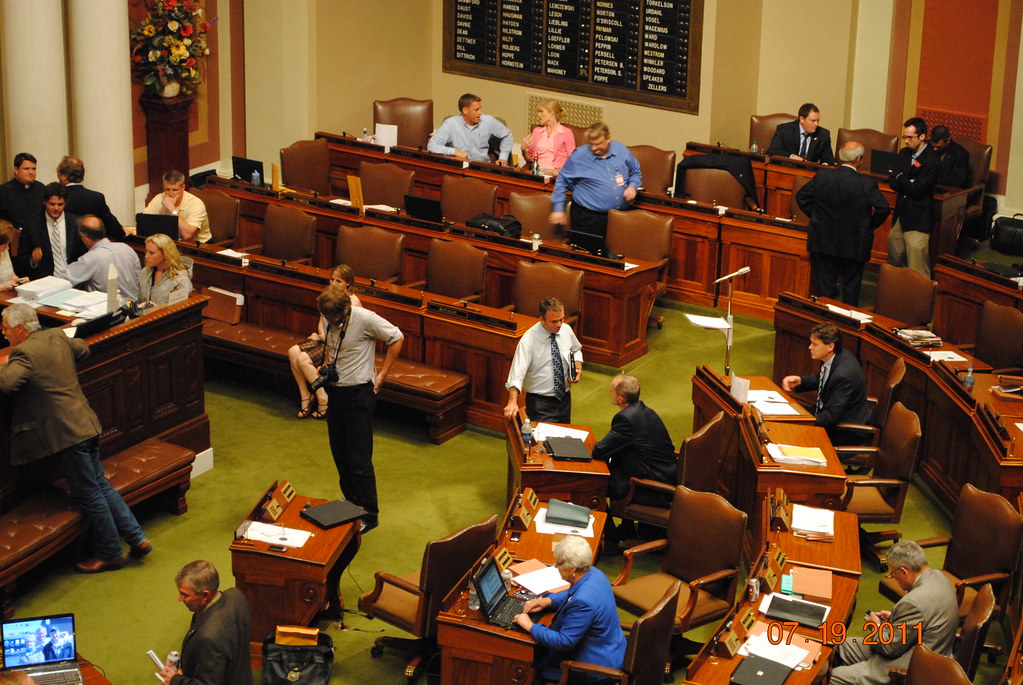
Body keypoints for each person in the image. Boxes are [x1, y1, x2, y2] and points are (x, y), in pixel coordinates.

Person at [0, 304, 150, 573]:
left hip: (67, 435)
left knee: (90, 494)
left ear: (20, 329)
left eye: (6, 327)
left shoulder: (23, 352)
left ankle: (110, 554)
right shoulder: (57, 336)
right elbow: (82, 349)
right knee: (100, 485)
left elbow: (8, 384)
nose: (3, 332)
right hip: (86, 423)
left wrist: (8, 361)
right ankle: (138, 538)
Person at [318, 284, 403, 533]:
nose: (329, 321)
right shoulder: (328, 316)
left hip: (358, 395)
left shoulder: (364, 318)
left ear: (345, 309)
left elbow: (397, 337)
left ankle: (369, 513)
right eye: (327, 318)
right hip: (336, 392)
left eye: (334, 318)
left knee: (359, 459)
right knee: (340, 454)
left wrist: (383, 375)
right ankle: (351, 504)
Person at [830, 540, 957, 685]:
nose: (894, 578)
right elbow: (925, 618)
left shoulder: (912, 602)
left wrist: (876, 627)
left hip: (911, 664)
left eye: (894, 573)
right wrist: (895, 618)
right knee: (840, 645)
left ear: (903, 571)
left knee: (833, 676)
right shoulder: (941, 578)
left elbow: (889, 648)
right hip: (918, 645)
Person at [513, 535, 626, 684]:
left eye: (558, 564)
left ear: (572, 568)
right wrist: (548, 601)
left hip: (593, 667)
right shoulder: (594, 573)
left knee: (527, 663)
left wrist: (530, 626)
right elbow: (572, 592)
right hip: (611, 647)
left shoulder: (583, 602)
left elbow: (564, 641)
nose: (556, 567)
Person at [796, 141, 890, 305]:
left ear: (840, 157)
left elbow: (801, 197)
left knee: (825, 285)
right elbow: (883, 208)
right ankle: (847, 325)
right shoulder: (866, 183)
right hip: (855, 242)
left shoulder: (824, 176)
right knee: (851, 288)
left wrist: (817, 217)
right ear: (859, 159)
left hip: (825, 239)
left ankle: (824, 320)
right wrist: (868, 225)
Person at [549, 122, 642, 255]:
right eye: (591, 144)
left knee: (615, 257)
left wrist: (633, 186)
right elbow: (562, 180)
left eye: (598, 144)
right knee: (586, 257)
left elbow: (636, 171)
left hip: (619, 218)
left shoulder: (621, 150)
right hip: (588, 218)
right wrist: (558, 208)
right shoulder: (579, 156)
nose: (594, 148)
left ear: (608, 138)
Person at [159, 560, 253, 685]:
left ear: (205, 595)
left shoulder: (209, 638)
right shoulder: (236, 595)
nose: (179, 599)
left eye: (185, 595)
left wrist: (175, 681)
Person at [288, 264, 363, 419]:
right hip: (325, 341)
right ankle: (306, 396)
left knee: (302, 359)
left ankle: (322, 398)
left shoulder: (352, 303)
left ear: (348, 283)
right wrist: (322, 335)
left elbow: (342, 336)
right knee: (293, 351)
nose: (333, 284)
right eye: (332, 279)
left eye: (338, 281)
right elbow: (322, 322)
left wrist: (321, 337)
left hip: (340, 346)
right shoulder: (328, 297)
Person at [592, 375, 677, 505]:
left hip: (648, 486)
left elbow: (599, 451)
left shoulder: (625, 419)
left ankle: (606, 525)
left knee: (591, 483)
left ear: (620, 399)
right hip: (663, 475)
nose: (610, 393)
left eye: (611, 391)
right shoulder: (647, 411)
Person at [781, 322, 870, 445]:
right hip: (828, 415)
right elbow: (825, 378)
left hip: (843, 432)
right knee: (787, 415)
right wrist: (801, 381)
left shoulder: (843, 376)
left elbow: (830, 417)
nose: (809, 347)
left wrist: (801, 423)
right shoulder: (836, 356)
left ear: (830, 346)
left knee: (787, 433)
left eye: (815, 344)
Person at [504, 297, 583, 424]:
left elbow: (576, 349)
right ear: (542, 319)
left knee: (563, 438)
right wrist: (512, 401)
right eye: (554, 321)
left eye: (561, 319)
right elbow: (516, 374)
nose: (559, 325)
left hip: (564, 399)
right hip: (540, 403)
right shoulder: (528, 341)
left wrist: (577, 367)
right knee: (542, 442)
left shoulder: (566, 330)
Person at [887, 117, 940, 279]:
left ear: (922, 137)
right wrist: (904, 180)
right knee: (895, 255)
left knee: (917, 266)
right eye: (905, 137)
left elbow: (917, 190)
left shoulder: (932, 159)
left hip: (919, 217)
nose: (906, 141)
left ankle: (921, 300)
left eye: (910, 137)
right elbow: (892, 182)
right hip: (901, 213)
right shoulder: (904, 153)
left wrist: (900, 177)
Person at [16, 182, 85, 278]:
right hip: (45, 281)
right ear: (45, 202)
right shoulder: (32, 226)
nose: (56, 208)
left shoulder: (76, 223)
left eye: (60, 204)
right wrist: (32, 260)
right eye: (52, 204)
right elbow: (21, 261)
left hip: (73, 279)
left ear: (65, 203)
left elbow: (84, 255)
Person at [63, 216, 141, 300]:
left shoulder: (90, 259)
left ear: (86, 239)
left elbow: (63, 280)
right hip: (135, 307)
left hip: (106, 309)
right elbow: (140, 279)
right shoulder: (127, 248)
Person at [427, 93, 513, 164]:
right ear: (465, 111)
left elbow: (507, 135)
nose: (480, 113)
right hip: (458, 166)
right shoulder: (450, 124)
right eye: (476, 110)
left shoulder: (488, 121)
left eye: (480, 109)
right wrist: (454, 152)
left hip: (481, 166)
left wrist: (503, 158)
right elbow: (432, 146)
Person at [56, 156, 124, 241]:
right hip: (92, 247)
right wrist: (122, 234)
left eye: (58, 173)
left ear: (63, 176)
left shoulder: (56, 200)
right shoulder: (96, 197)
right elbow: (110, 224)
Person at [143, 170, 212, 243]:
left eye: (175, 190)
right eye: (167, 189)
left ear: (183, 187)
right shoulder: (159, 198)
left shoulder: (196, 204)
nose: (170, 194)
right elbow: (144, 223)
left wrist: (172, 209)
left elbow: (187, 235)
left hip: (198, 245)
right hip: (170, 242)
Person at [766, 103, 835, 165]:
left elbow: (829, 159)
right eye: (813, 121)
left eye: (818, 120)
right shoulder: (785, 130)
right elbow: (773, 150)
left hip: (809, 173)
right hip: (787, 168)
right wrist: (792, 156)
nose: (816, 124)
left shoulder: (823, 134)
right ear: (802, 119)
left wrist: (823, 167)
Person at [523, 99, 576, 175]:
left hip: (556, 174)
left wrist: (560, 171)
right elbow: (530, 159)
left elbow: (573, 159)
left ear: (551, 113)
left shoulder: (566, 133)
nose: (539, 115)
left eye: (541, 112)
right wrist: (523, 150)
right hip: (538, 172)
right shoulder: (537, 131)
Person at [139, 233, 193, 305]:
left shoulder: (181, 280)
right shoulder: (145, 271)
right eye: (146, 251)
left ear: (165, 254)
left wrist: (157, 308)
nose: (146, 256)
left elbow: (181, 309)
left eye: (151, 253)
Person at [0, 153, 45, 239]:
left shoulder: (41, 188)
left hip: (38, 238)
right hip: (12, 239)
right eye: (26, 169)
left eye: (33, 169)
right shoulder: (4, 191)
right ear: (16, 170)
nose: (31, 172)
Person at [0, 220, 28, 291]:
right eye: (5, 245)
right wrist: (1, 287)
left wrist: (19, 281)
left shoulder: (4, 251)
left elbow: (11, 274)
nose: (8, 248)